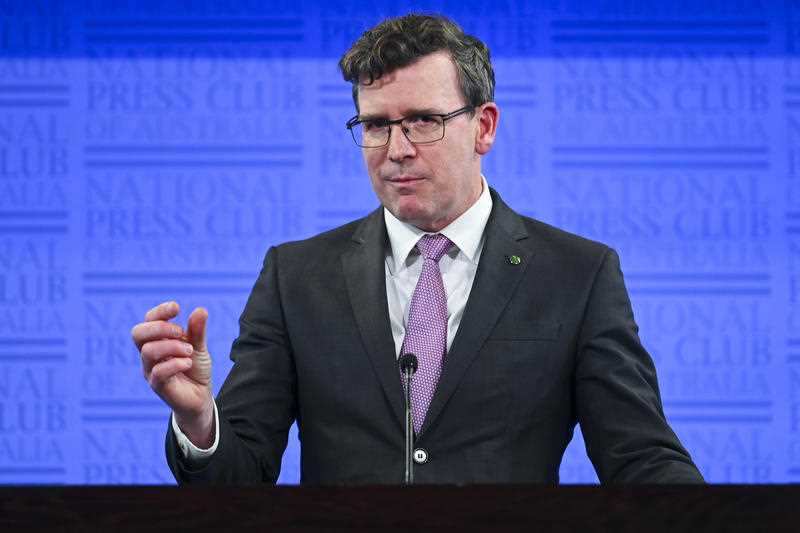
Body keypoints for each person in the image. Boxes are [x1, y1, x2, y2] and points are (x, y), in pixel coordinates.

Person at [132, 14, 704, 484]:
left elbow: (641, 459)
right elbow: (241, 477)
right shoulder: (296, 276)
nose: (396, 149)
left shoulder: (577, 273)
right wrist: (200, 419)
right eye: (376, 125)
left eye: (424, 121)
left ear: (484, 127)